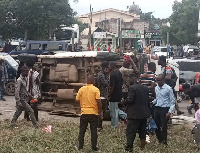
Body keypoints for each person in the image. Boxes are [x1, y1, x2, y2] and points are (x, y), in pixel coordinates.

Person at [125, 74, 151, 152]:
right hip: (144, 114)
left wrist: (123, 101)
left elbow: (130, 100)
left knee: (130, 132)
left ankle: (129, 148)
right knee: (142, 131)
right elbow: (147, 100)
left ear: (133, 79)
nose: (128, 81)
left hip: (134, 115)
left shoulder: (132, 88)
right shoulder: (145, 88)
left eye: (129, 79)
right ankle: (142, 147)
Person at [76, 75, 102, 151]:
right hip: (93, 113)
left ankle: (80, 147)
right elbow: (99, 101)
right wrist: (100, 111)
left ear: (87, 81)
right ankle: (94, 147)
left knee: (82, 130)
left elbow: (77, 99)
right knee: (94, 130)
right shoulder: (96, 89)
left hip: (84, 113)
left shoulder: (81, 89)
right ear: (93, 81)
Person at [153, 74, 175, 145]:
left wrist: (169, 112)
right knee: (156, 126)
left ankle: (164, 142)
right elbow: (157, 99)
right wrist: (152, 102)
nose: (158, 82)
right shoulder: (156, 88)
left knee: (164, 127)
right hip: (157, 108)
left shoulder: (168, 89)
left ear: (163, 80)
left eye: (159, 80)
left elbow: (172, 102)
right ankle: (160, 140)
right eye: (157, 80)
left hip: (164, 109)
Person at [109, 61, 127, 128]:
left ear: (111, 66)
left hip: (113, 95)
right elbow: (122, 83)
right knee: (115, 109)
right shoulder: (119, 73)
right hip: (119, 93)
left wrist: (109, 94)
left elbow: (112, 86)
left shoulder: (112, 74)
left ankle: (114, 125)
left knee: (113, 111)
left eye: (109, 66)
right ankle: (125, 116)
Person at [95, 62, 110, 131]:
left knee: (102, 111)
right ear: (104, 68)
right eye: (107, 68)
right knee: (101, 111)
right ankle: (99, 126)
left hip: (103, 95)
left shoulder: (103, 74)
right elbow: (106, 83)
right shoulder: (101, 75)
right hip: (102, 95)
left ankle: (99, 125)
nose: (108, 69)